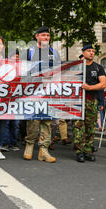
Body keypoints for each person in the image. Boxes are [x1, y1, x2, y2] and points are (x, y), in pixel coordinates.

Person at [23, 26, 60, 163]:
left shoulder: (54, 53)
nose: (46, 38)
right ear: (36, 36)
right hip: (33, 90)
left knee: (47, 120)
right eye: (43, 35)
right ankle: (30, 145)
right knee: (33, 119)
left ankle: (44, 149)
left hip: (49, 91)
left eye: (48, 36)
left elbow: (58, 70)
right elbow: (23, 70)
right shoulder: (29, 52)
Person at [73, 44, 106, 162]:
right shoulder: (76, 67)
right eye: (88, 50)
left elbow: (103, 84)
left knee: (90, 127)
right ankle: (79, 151)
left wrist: (89, 88)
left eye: (93, 51)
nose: (91, 53)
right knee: (78, 127)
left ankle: (88, 150)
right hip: (77, 101)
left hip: (91, 100)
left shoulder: (98, 68)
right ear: (83, 52)